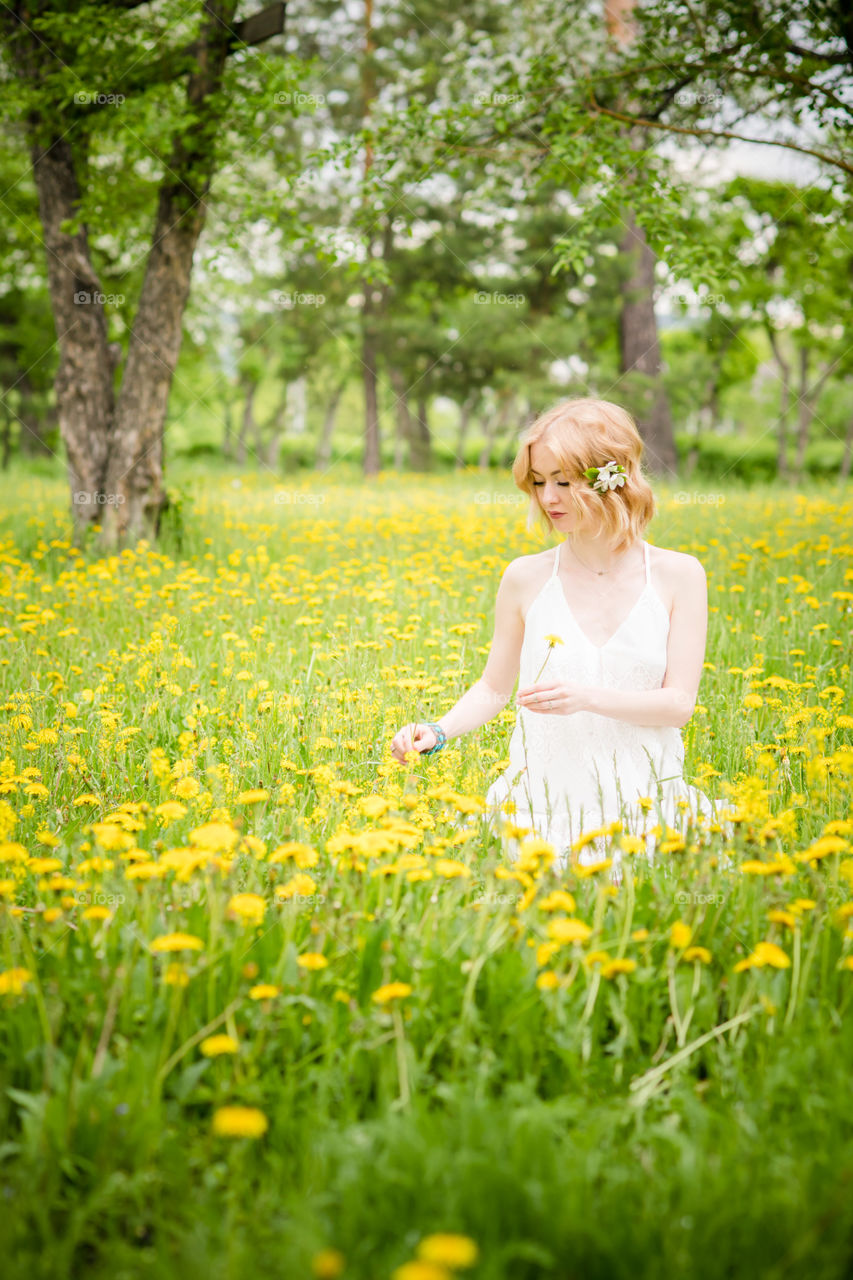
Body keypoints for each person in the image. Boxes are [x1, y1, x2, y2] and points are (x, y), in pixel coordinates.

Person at [390, 396, 721, 878]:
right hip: (543, 806)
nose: (547, 499)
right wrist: (438, 731)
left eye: (563, 482)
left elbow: (678, 705)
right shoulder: (525, 578)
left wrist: (587, 696)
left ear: (611, 479)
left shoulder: (679, 576)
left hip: (645, 803)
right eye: (539, 482)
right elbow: (494, 688)